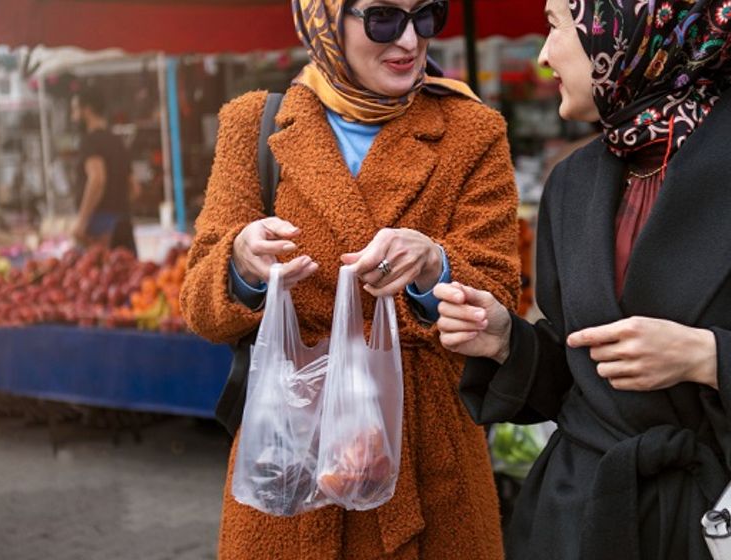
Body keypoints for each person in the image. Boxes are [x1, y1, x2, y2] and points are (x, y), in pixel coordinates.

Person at [432, 0, 731, 558]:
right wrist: (506, 343)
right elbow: (587, 377)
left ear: (627, 27)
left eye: (555, 25)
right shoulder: (572, 180)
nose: (544, 56)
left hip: (730, 522)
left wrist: (711, 360)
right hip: (579, 519)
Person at [179, 0, 520, 556]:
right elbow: (200, 305)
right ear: (325, 18)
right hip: (291, 460)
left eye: (427, 15)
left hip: (431, 464)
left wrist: (434, 268)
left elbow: (500, 300)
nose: (410, 41)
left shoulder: (471, 130)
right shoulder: (256, 124)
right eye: (385, 18)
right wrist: (241, 264)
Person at [70, 86, 137, 254]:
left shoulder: (90, 142)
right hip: (123, 224)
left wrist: (82, 222)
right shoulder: (118, 142)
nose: (73, 117)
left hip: (98, 227)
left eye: (75, 111)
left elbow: (97, 179)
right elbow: (135, 189)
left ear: (87, 110)